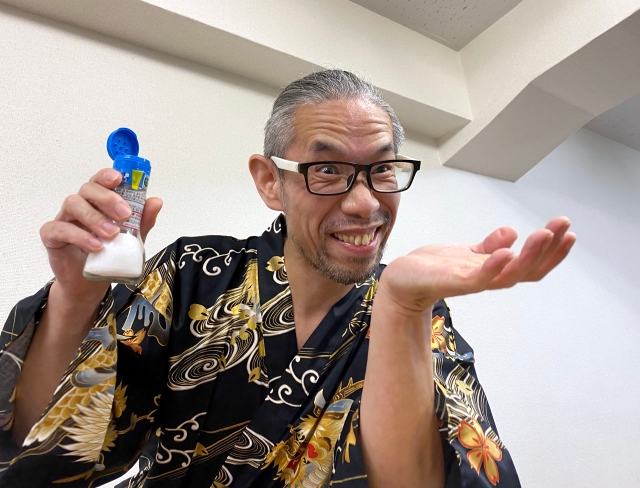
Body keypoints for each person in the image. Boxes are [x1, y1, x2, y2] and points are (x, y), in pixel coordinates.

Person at [0, 70, 575, 488]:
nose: (364, 203)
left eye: (382, 169)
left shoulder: (421, 317)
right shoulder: (193, 274)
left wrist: (401, 307)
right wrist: (74, 297)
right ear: (270, 181)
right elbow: (48, 446)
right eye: (327, 169)